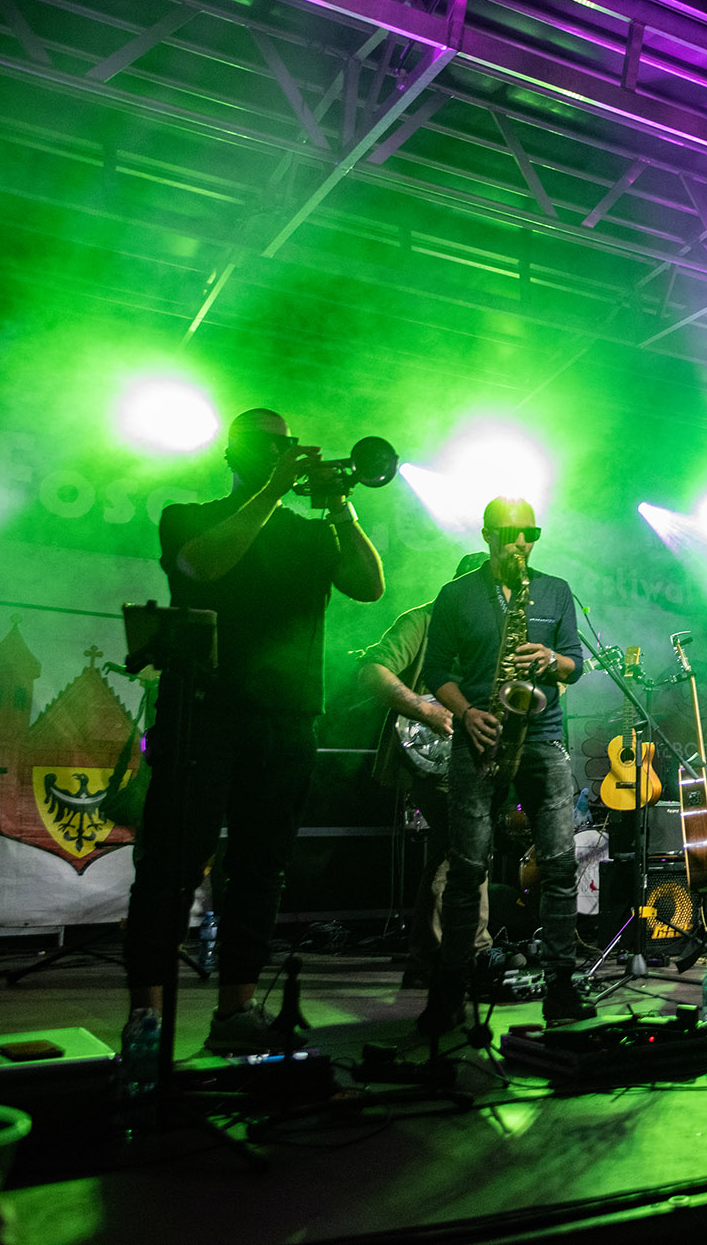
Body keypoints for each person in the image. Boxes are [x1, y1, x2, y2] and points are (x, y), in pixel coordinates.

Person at [122, 408, 385, 1054]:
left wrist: (340, 507)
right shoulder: (188, 515)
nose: (282, 453)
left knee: (261, 869)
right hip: (205, 713)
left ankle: (235, 1010)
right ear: (235, 453)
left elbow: (370, 584)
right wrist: (272, 489)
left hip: (288, 718)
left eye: (287, 445)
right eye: (268, 445)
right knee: (170, 866)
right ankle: (146, 1020)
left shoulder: (309, 534)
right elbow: (204, 567)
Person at [418, 498, 589, 1032]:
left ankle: (560, 986)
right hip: (481, 738)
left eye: (531, 532)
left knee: (560, 866)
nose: (523, 543)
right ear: (489, 535)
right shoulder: (457, 593)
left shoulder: (556, 590)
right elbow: (435, 671)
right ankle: (451, 990)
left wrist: (551, 661)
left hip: (541, 736)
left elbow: (575, 665)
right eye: (513, 534)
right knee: (468, 869)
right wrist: (465, 713)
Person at [355, 552, 492, 988]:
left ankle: (430, 958)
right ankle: (464, 953)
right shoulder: (425, 620)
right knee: (461, 844)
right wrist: (424, 710)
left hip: (476, 752)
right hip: (430, 750)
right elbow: (372, 670)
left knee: (462, 846)